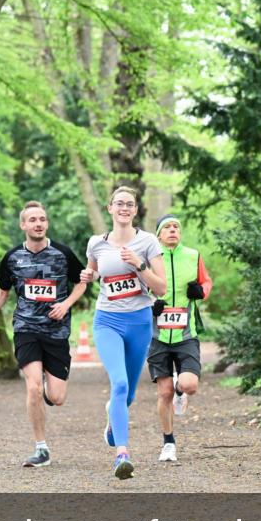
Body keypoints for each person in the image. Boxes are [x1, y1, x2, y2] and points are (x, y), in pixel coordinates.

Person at [0, 201, 86, 468]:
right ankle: (41, 449)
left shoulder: (63, 253)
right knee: (32, 387)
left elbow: (82, 282)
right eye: (32, 220)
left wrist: (65, 305)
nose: (38, 223)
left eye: (42, 219)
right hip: (26, 328)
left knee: (57, 398)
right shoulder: (12, 257)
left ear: (47, 224)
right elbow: (4, 290)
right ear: (23, 225)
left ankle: (45, 389)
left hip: (56, 332)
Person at [80, 186, 166, 480]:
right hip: (107, 321)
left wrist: (139, 264)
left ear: (135, 209)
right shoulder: (96, 243)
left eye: (129, 204)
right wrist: (87, 276)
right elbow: (90, 274)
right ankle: (122, 454)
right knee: (118, 384)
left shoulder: (148, 242)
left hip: (140, 321)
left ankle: (111, 424)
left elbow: (161, 288)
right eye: (119, 204)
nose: (124, 208)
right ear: (110, 208)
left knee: (128, 394)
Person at [147, 214, 213, 462]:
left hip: (186, 334)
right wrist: (150, 305)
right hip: (158, 335)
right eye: (167, 227)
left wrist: (201, 291)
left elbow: (206, 282)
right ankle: (168, 443)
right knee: (163, 393)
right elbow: (140, 289)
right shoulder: (151, 258)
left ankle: (179, 392)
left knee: (189, 385)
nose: (173, 230)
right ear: (159, 235)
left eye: (176, 226)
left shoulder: (193, 256)